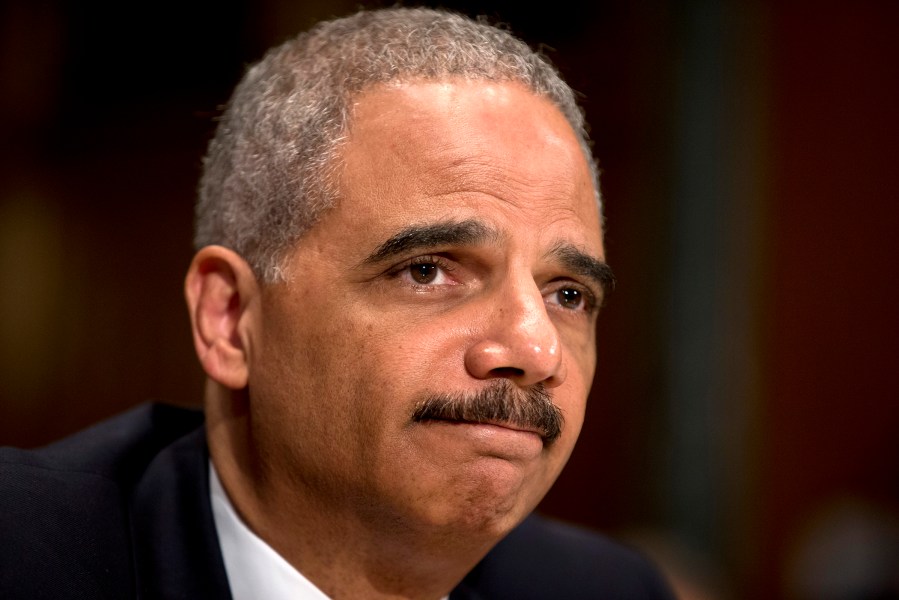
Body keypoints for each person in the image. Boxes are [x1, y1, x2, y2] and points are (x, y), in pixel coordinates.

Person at [0, 7, 674, 599]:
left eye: (566, 293)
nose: (534, 349)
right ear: (230, 319)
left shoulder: (602, 587)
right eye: (427, 271)